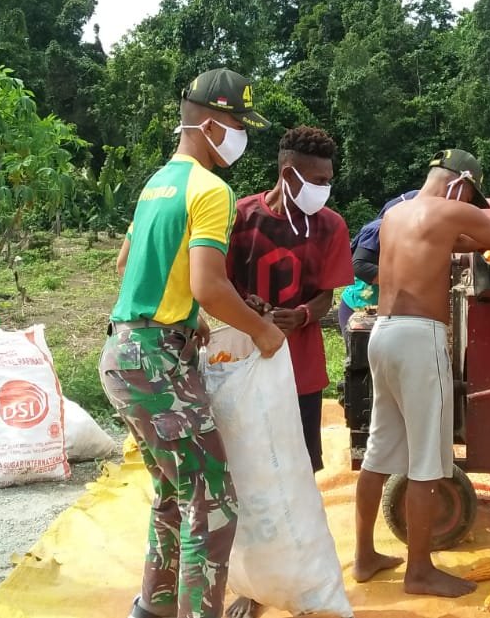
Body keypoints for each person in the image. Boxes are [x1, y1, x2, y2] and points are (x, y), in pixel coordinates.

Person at [100, 68, 286, 618]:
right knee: (213, 503)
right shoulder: (211, 190)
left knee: (174, 492)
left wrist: (186, 317)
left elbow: (127, 264)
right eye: (237, 123)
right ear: (208, 123)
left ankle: (153, 609)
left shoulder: (157, 183)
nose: (242, 135)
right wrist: (262, 330)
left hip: (124, 351)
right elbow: (210, 283)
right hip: (157, 364)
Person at [354, 149, 490, 598]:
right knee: (428, 458)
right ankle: (420, 570)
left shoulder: (396, 214)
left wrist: (479, 241)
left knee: (377, 452)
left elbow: (456, 243)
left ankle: (365, 556)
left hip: (383, 334)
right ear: (460, 182)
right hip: (419, 337)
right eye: (470, 192)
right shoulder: (453, 209)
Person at [221, 126, 353, 618]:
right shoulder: (241, 218)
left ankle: (301, 583)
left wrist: (301, 315)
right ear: (287, 173)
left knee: (298, 476)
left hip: (300, 370)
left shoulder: (330, 226)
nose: (325, 187)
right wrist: (249, 310)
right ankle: (251, 584)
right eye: (317, 178)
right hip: (242, 370)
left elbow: (327, 295)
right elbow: (216, 283)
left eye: (330, 178)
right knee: (244, 474)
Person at [336, 190, 418, 341]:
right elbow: (359, 265)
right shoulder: (377, 229)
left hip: (387, 310)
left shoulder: (409, 234)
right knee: (362, 360)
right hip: (360, 309)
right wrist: (404, 280)